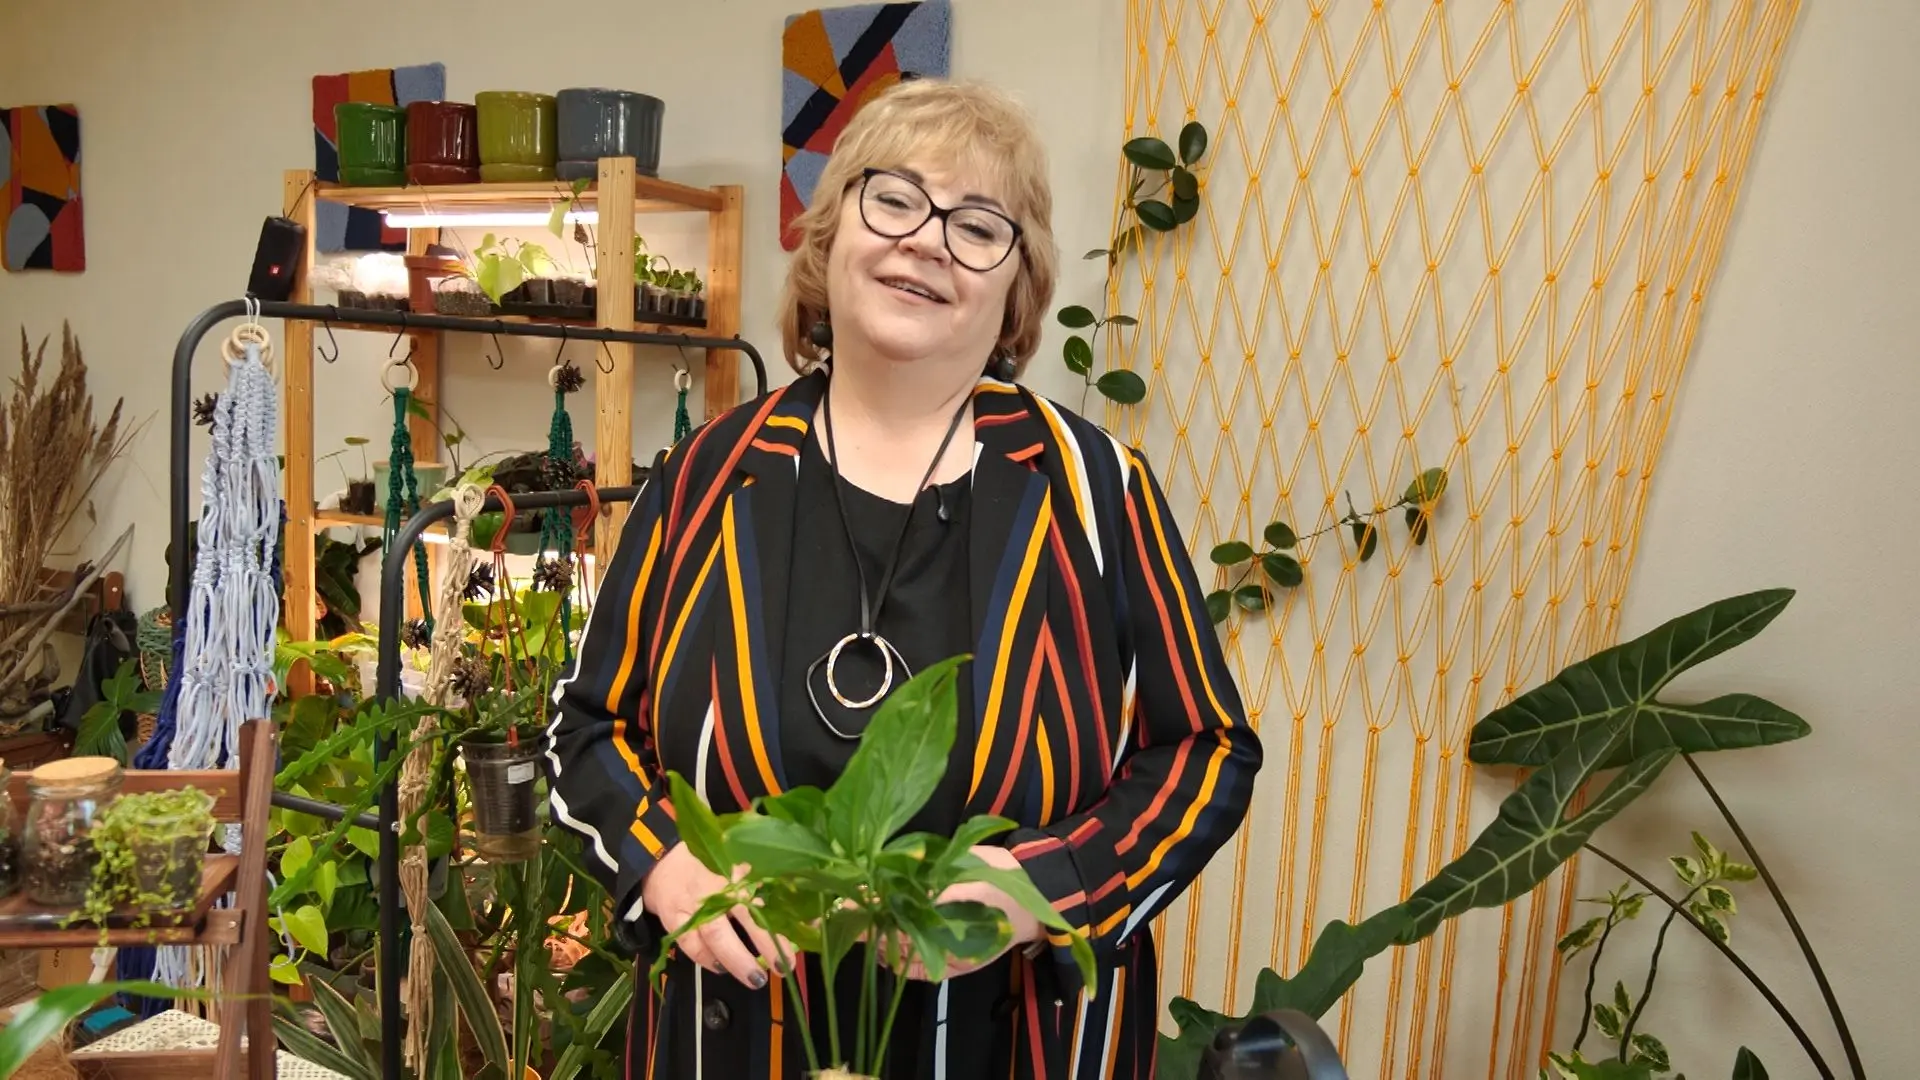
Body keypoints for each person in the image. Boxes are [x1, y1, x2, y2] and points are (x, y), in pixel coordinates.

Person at [546, 77, 1262, 1078]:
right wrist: (662, 860)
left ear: (1017, 290)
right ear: (830, 235)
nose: (927, 241)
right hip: (731, 1037)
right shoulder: (708, 475)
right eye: (894, 200)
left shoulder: (1098, 491)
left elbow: (1206, 753)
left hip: (1013, 1047)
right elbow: (586, 726)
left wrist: (1046, 886)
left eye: (978, 226)